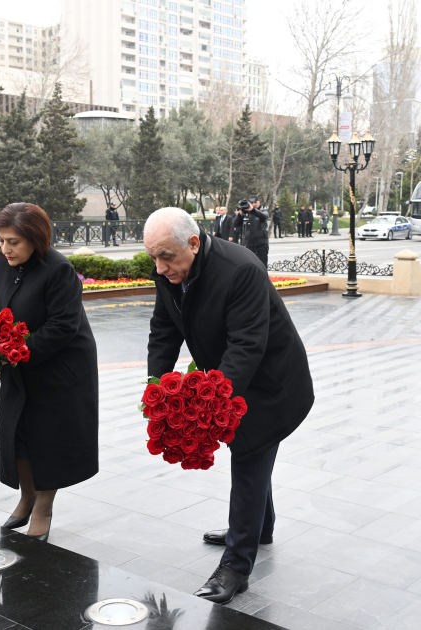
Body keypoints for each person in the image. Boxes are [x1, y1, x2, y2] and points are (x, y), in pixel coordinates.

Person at [144, 207, 313, 605]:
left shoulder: (241, 269)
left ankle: (237, 566)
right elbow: (163, 330)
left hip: (270, 383)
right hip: (231, 379)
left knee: (250, 454)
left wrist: (210, 405)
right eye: (153, 257)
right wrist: (157, 389)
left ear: (193, 243)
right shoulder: (170, 271)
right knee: (252, 455)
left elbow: (246, 346)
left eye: (166, 256)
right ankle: (257, 528)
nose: (160, 267)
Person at [0, 203, 99, 542]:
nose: (5, 249)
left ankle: (43, 508)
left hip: (58, 367)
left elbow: (62, 327)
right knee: (17, 433)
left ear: (36, 239)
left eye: (13, 242)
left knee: (47, 439)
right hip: (17, 363)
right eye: (1, 241)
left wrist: (13, 352)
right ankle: (27, 497)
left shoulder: (58, 269)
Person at [233, 196, 269, 268]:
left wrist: (253, 210)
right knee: (250, 266)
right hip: (248, 243)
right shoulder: (245, 213)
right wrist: (240, 214)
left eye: (255, 202)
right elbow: (235, 224)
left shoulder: (263, 211)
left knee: (262, 266)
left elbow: (264, 216)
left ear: (259, 202)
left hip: (261, 244)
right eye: (251, 203)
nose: (253, 204)